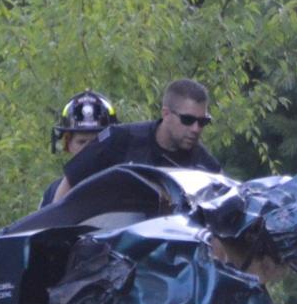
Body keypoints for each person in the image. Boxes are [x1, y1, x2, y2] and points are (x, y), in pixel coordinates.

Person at [52, 78, 220, 202]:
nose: (196, 129)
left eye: (203, 122)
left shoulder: (206, 167)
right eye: (188, 120)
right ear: (166, 114)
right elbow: (69, 184)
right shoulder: (120, 139)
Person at [41, 90, 117, 208]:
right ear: (68, 144)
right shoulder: (53, 192)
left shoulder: (126, 183)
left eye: (96, 141)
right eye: (81, 142)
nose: (89, 149)